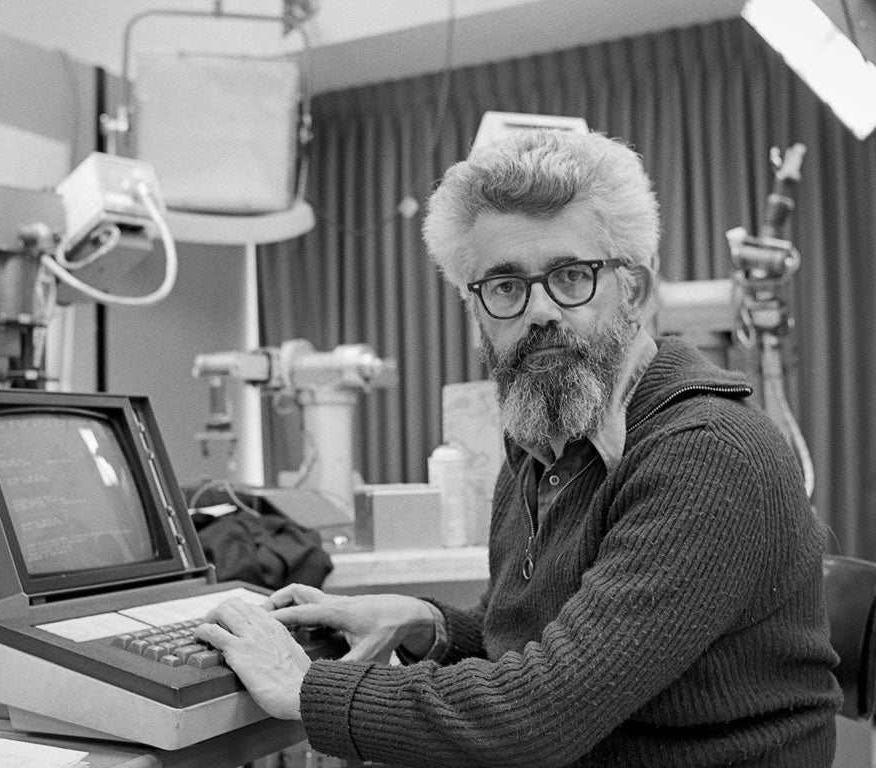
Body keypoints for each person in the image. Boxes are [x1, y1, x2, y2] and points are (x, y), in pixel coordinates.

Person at [193, 130, 842, 767]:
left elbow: (539, 717)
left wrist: (305, 688)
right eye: (505, 286)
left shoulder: (703, 452)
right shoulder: (539, 445)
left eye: (570, 276)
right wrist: (426, 623)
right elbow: (537, 643)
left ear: (636, 292)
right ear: (477, 308)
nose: (538, 311)